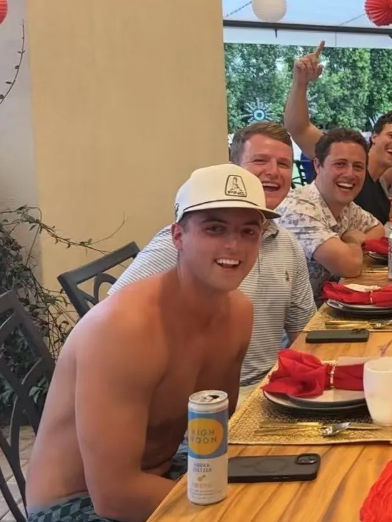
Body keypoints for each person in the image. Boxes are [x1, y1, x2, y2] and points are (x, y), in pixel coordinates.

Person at [27, 164, 276, 522]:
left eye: (248, 231)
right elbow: (114, 497)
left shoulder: (239, 314)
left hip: (160, 475)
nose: (233, 246)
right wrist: (237, 509)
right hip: (77, 504)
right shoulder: (123, 328)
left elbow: (212, 432)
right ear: (178, 236)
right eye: (214, 228)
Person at [110, 122, 315, 390]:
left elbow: (304, 329)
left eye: (284, 164)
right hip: (198, 396)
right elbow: (115, 320)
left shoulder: (286, 242)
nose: (273, 172)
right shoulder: (183, 244)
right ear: (234, 167)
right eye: (260, 160)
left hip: (266, 386)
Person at [283, 41, 392, 223]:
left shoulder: (382, 190)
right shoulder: (345, 157)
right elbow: (299, 128)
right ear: (374, 136)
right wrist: (300, 82)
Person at [278, 128, 385, 293]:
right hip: (299, 310)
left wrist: (350, 248)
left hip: (327, 303)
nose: (350, 174)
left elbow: (378, 230)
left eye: (358, 166)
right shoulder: (299, 208)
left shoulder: (346, 206)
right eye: (340, 164)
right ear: (317, 165)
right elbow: (350, 266)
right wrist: (352, 240)